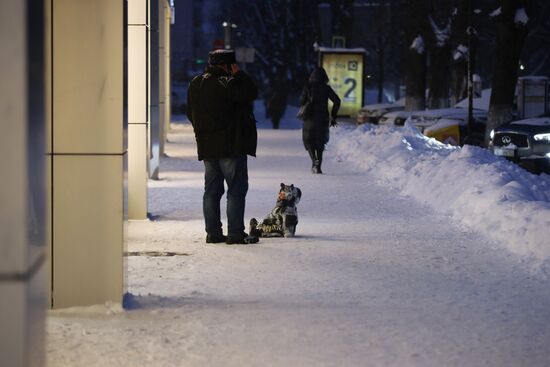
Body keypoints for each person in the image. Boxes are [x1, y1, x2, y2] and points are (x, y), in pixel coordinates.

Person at [187, 49, 259, 244]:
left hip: (207, 146)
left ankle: (213, 233)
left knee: (211, 191)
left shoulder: (196, 83)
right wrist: (239, 74)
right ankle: (235, 233)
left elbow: (189, 112)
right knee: (236, 189)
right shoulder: (229, 83)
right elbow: (252, 92)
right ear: (228, 65)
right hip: (230, 146)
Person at [300, 67, 341, 174]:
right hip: (323, 118)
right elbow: (337, 101)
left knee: (309, 142)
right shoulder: (326, 88)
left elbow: (301, 101)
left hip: (309, 118)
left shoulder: (308, 87)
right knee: (320, 143)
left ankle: (314, 161)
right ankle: (318, 166)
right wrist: (333, 116)